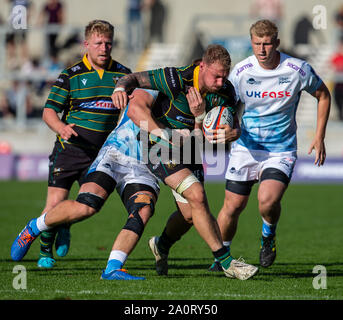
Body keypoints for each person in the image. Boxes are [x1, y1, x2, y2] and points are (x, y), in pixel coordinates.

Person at [111, 44, 259, 280]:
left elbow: (231, 124)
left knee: (190, 215)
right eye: (216, 76)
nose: (221, 82)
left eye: (224, 76)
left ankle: (161, 245)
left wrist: (233, 133)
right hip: (159, 146)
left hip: (191, 148)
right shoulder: (176, 78)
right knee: (197, 195)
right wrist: (120, 87)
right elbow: (133, 78)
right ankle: (226, 261)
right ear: (203, 66)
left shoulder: (225, 91)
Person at [205, 19, 330, 270]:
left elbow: (323, 95)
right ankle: (222, 256)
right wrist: (226, 128)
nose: (262, 49)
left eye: (267, 44)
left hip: (280, 150)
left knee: (267, 201)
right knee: (233, 205)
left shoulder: (297, 69)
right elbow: (227, 105)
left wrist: (319, 136)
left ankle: (268, 236)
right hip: (245, 148)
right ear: (251, 42)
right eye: (257, 44)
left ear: (277, 43)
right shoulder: (241, 72)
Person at [10, 89, 161, 280]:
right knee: (87, 206)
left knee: (143, 209)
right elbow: (135, 109)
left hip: (145, 166)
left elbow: (188, 145)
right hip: (116, 153)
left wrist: (195, 125)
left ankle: (113, 268)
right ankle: (34, 227)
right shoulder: (161, 85)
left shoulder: (197, 107)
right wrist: (165, 133)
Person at [33, 19, 132, 269]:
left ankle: (65, 223)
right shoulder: (71, 75)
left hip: (100, 155)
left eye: (108, 43)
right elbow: (49, 112)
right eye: (98, 43)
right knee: (54, 205)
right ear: (86, 44)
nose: (104, 48)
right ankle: (45, 251)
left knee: (87, 207)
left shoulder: (123, 75)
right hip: (69, 151)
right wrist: (61, 127)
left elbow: (138, 104)